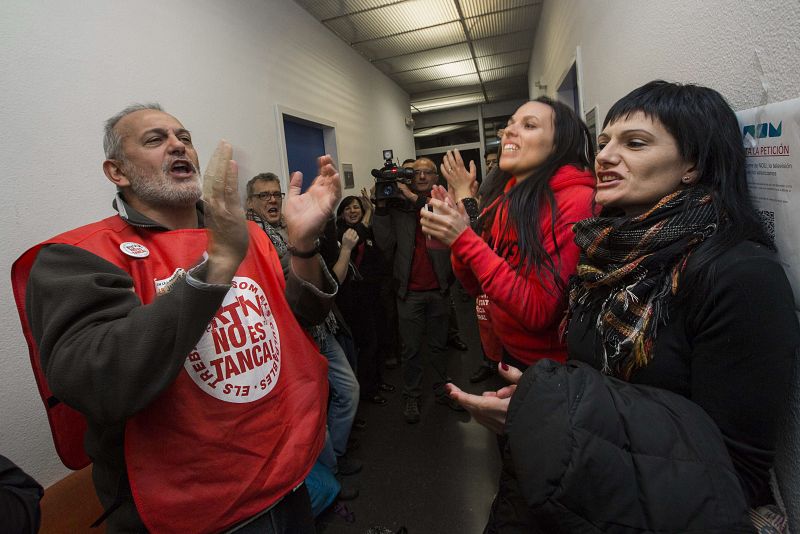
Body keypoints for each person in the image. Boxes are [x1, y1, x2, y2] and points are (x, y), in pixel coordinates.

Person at [448, 81, 800, 532]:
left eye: (634, 143)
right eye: (604, 143)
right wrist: (543, 405)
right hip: (589, 488)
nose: (606, 157)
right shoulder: (606, 251)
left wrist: (551, 413)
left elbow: (728, 468)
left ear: (692, 164)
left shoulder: (738, 275)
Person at [13, 104, 341, 533]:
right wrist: (218, 264)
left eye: (184, 137)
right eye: (155, 140)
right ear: (117, 172)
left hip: (285, 475)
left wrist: (302, 246)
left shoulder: (251, 233)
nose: (177, 145)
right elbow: (99, 382)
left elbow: (307, 314)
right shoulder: (78, 257)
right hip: (192, 510)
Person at [421, 97, 596, 372]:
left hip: (556, 368)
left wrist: (463, 238)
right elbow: (476, 286)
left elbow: (538, 313)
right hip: (511, 352)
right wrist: (461, 233)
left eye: (529, 125)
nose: (509, 131)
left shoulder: (577, 201)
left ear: (558, 144)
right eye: (510, 124)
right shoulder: (506, 201)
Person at [245, 172, 363, 481]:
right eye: (263, 196)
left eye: (276, 194)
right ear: (249, 202)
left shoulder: (294, 228)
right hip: (291, 338)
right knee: (312, 412)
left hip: (321, 326)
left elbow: (325, 280)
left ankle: (336, 453)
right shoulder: (250, 238)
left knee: (348, 391)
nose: (272, 199)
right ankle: (329, 475)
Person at [373, 157, 461, 424]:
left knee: (438, 346)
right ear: (410, 176)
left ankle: (442, 390)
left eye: (428, 172)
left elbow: (444, 225)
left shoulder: (444, 203)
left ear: (436, 178)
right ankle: (411, 395)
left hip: (439, 289)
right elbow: (385, 244)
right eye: (417, 172)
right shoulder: (399, 209)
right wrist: (382, 208)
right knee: (411, 349)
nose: (422, 176)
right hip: (409, 292)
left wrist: (412, 197)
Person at [335, 192, 395, 405]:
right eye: (348, 208)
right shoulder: (342, 234)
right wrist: (369, 211)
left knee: (379, 340)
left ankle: (378, 382)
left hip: (374, 296)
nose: (353, 211)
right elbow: (358, 235)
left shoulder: (367, 232)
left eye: (356, 207)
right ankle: (367, 390)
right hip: (354, 301)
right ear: (341, 214)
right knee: (367, 345)